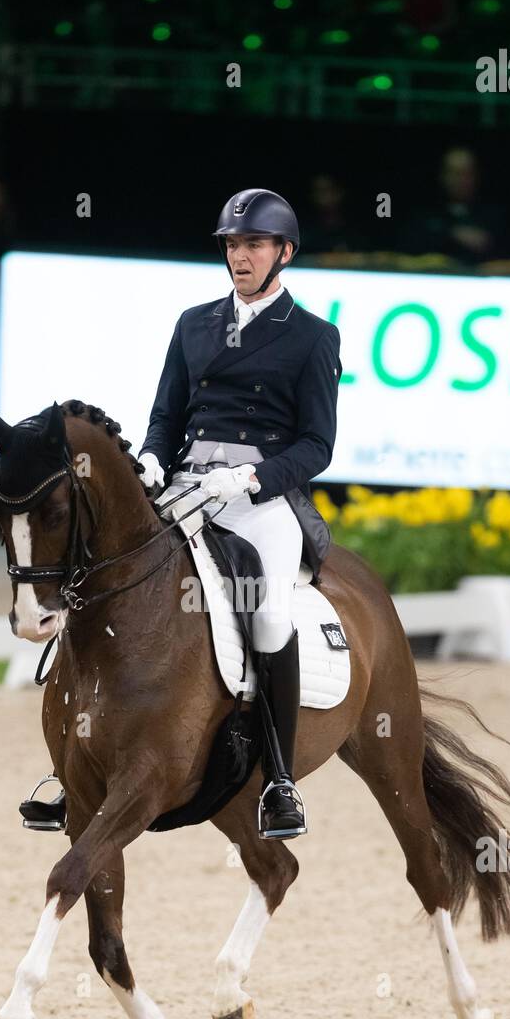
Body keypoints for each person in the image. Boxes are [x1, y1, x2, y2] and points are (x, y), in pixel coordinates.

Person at [138, 188, 342, 839]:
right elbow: (167, 414)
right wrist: (148, 458)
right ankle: (73, 759)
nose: (239, 257)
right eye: (231, 245)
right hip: (187, 489)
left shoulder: (312, 337)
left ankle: (280, 781)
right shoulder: (193, 323)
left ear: (284, 252)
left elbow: (317, 445)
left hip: (257, 501)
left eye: (253, 245)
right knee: (108, 578)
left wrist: (252, 477)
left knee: (270, 614)